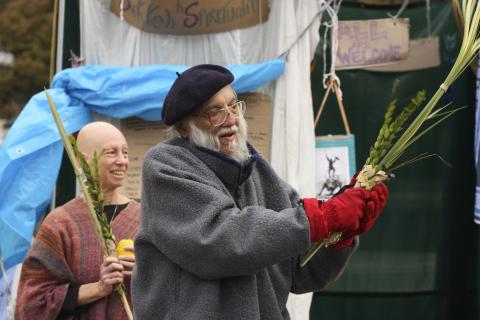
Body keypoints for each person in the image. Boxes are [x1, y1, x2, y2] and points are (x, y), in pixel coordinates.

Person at [132, 64, 389, 319]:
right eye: (215, 112)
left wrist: (339, 235)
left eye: (234, 105)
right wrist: (319, 218)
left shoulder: (255, 169)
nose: (231, 119)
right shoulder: (166, 164)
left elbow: (301, 271)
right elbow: (218, 240)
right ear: (184, 128)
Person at [15, 122, 140, 319]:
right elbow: (32, 304)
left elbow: (172, 287)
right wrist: (99, 288)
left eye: (124, 153)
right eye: (111, 153)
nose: (122, 161)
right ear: (82, 161)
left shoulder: (145, 220)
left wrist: (145, 271)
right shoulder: (60, 223)